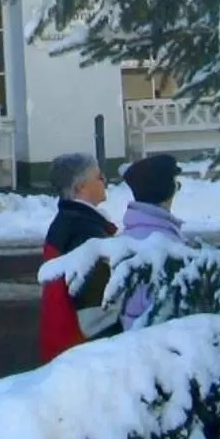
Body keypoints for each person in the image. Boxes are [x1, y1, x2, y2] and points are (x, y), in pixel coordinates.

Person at [37, 151, 121, 363]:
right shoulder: (85, 231)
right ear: (80, 187)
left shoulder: (69, 222)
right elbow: (94, 314)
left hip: (63, 344)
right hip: (81, 353)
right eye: (98, 177)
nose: (104, 181)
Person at [117, 153, 187, 330]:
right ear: (166, 190)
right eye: (175, 185)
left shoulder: (136, 228)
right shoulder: (159, 239)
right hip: (153, 340)